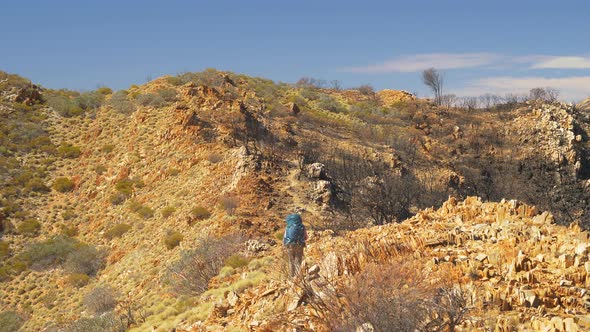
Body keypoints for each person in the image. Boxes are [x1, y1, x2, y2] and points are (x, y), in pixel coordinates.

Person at [283, 208, 308, 277]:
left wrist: (285, 246)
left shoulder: (288, 227)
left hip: (290, 245)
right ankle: (298, 278)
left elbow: (284, 238)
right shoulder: (302, 226)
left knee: (291, 262)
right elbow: (306, 237)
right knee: (298, 261)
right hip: (299, 244)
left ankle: (291, 277)